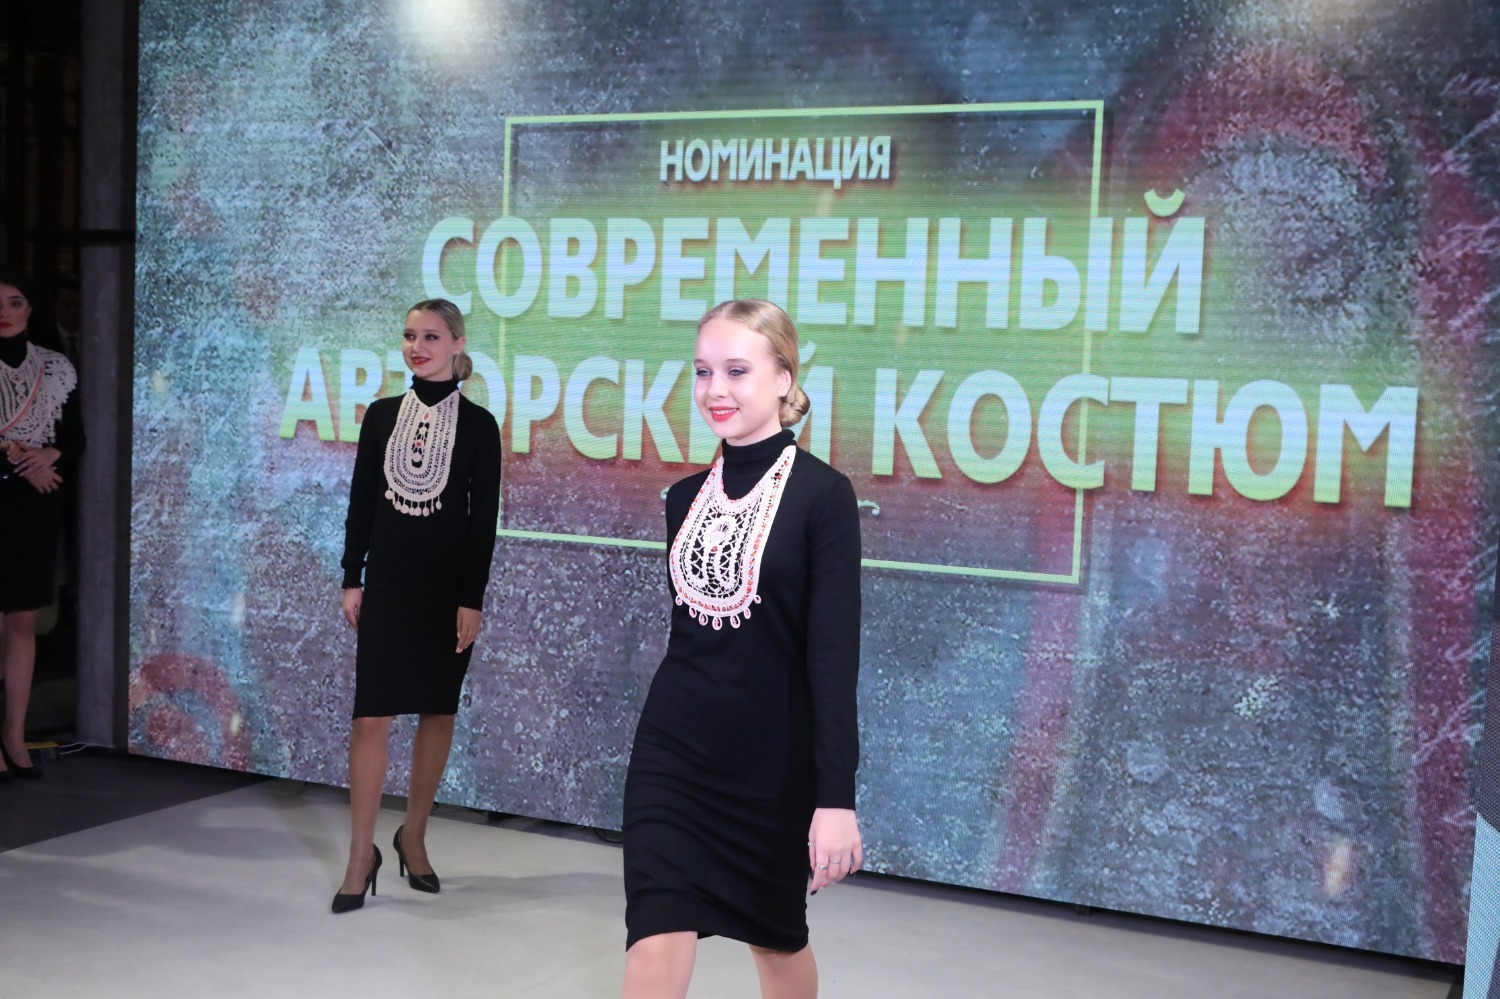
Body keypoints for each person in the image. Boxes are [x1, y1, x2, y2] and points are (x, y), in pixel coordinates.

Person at [621, 299, 863, 998]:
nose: (714, 390)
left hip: (770, 768)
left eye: (736, 370)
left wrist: (835, 797)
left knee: (777, 944)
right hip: (672, 752)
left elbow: (832, 659)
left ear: (784, 378)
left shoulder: (824, 496)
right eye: (702, 372)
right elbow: (692, 638)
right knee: (655, 931)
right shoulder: (683, 498)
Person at [333, 298, 501, 912]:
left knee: (437, 710)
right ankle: (361, 855)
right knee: (370, 718)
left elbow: (482, 522)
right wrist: (352, 576)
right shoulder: (381, 416)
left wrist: (471, 599)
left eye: (431, 336)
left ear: (457, 343)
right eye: (409, 335)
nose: (417, 347)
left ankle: (415, 836)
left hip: (445, 592)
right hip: (389, 585)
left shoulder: (480, 425)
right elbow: (361, 501)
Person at [0, 270, 82, 781]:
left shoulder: (55, 367)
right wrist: (21, 462)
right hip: (9, 489)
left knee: (24, 620)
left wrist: (47, 456)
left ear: (31, 309)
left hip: (36, 505)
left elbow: (75, 440)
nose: (5, 312)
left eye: (15, 302)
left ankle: (14, 732)